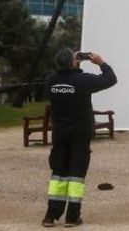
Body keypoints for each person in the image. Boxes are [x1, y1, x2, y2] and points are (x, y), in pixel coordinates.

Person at [42, 49, 117, 227]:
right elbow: (110, 79)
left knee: (58, 175)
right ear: (74, 62)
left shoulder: (51, 81)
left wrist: (71, 66)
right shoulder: (83, 81)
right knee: (76, 176)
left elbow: (54, 87)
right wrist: (101, 63)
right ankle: (72, 217)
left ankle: (50, 216)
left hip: (60, 135)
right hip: (80, 136)